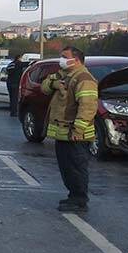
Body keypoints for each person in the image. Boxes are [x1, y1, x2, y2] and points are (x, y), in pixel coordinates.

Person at [41, 46, 98, 212]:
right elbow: (44, 87)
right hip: (63, 133)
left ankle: (79, 200)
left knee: (76, 167)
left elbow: (87, 107)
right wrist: (54, 84)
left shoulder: (84, 78)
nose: (62, 60)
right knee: (67, 167)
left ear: (77, 59)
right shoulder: (63, 75)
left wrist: (78, 129)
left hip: (75, 134)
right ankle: (73, 195)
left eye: (65, 57)